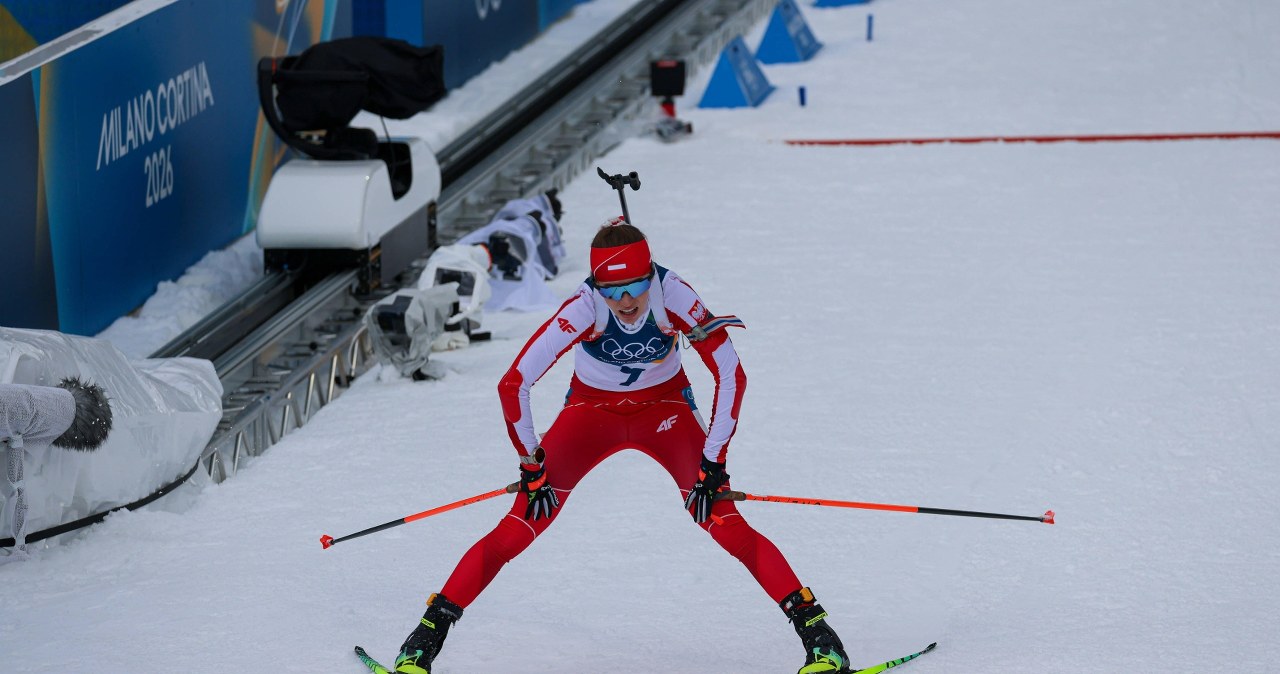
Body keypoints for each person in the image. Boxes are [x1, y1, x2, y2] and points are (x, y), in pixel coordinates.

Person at [393, 218, 852, 674]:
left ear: (649, 275)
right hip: (591, 414)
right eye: (613, 292)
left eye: (635, 286)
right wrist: (531, 466)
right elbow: (514, 384)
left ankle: (822, 641)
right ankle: (423, 642)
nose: (627, 302)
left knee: (723, 521)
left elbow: (732, 375)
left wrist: (713, 463)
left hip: (665, 410)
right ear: (597, 285)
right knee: (519, 525)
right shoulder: (583, 307)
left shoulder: (674, 295)